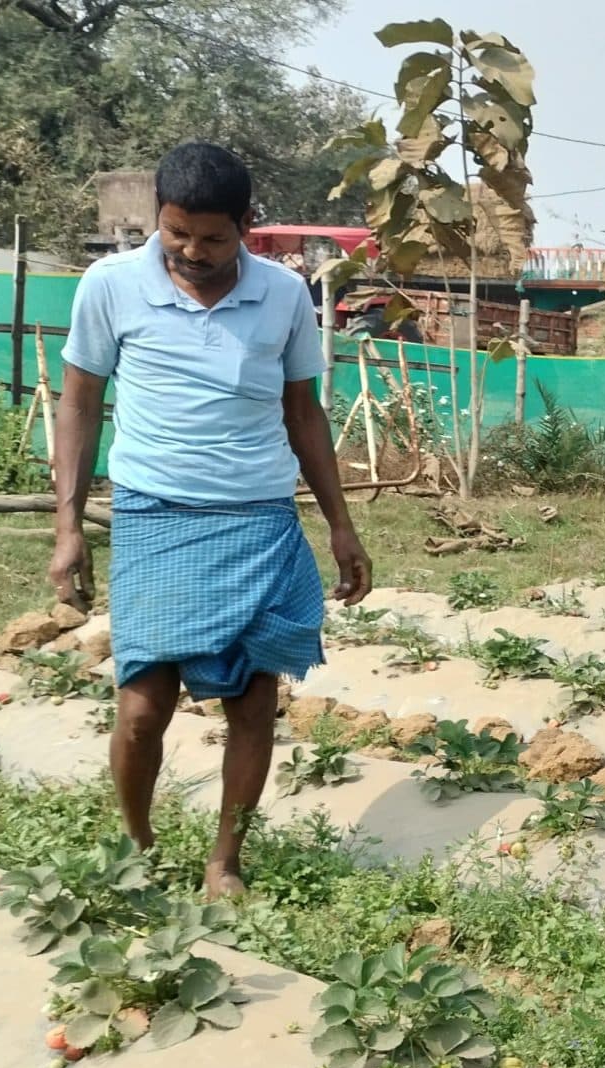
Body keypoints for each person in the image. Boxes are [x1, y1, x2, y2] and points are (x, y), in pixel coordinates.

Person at [48, 141, 372, 899]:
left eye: (213, 238)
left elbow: (303, 412)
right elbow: (80, 404)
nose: (193, 252)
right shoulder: (109, 286)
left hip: (258, 517)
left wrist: (341, 524)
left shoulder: (283, 295)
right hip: (154, 513)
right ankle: (137, 841)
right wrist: (68, 527)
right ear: (157, 218)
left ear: (246, 225)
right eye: (176, 233)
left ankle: (225, 861)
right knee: (142, 707)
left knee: (253, 703)